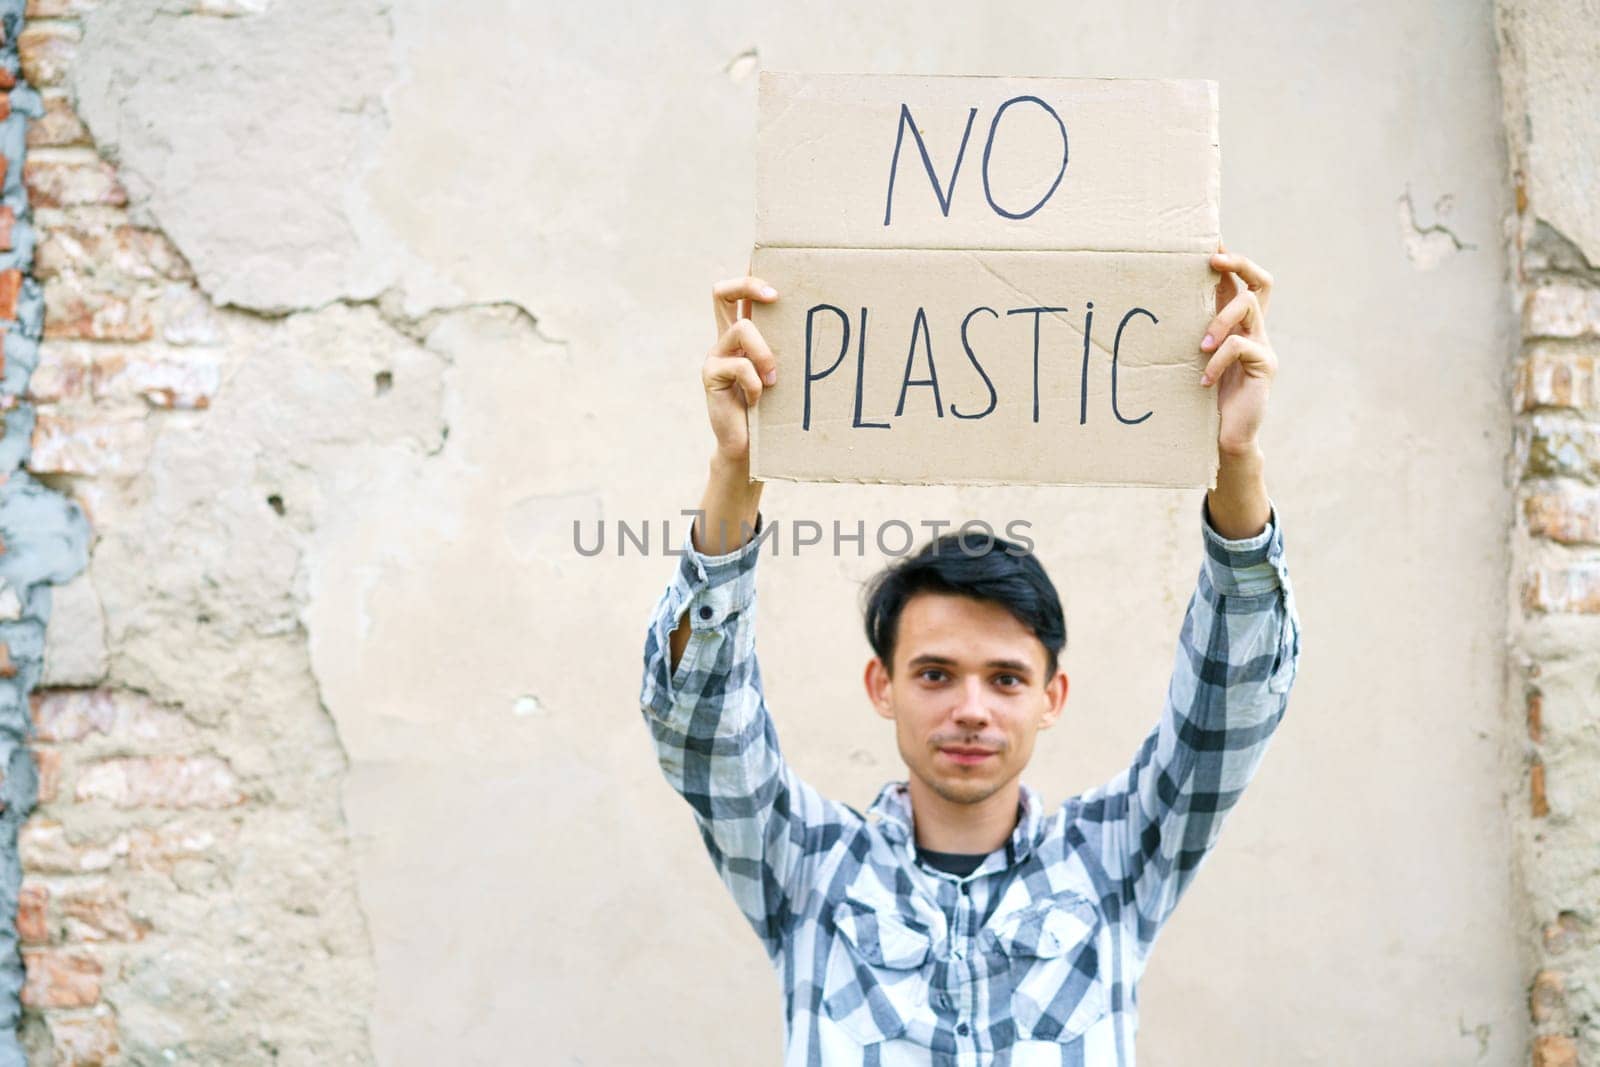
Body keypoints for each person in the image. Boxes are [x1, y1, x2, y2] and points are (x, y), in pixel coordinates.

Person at [638, 250, 1302, 1065]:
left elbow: (1231, 707)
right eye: (935, 673)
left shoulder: (1119, 857)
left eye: (1007, 678)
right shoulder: (807, 864)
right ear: (881, 685)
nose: (972, 708)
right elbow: (698, 726)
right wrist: (736, 471)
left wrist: (1235, 462)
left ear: (1052, 696)